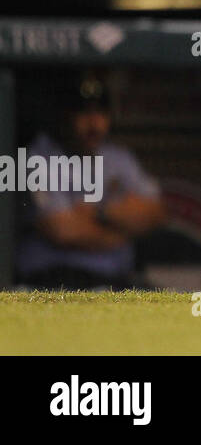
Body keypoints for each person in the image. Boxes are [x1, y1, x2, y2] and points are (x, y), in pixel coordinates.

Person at [17, 74, 166, 290]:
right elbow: (63, 230)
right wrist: (122, 229)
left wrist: (100, 212)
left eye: (100, 112)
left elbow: (156, 213)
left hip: (115, 280)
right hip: (54, 280)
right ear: (64, 116)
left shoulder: (118, 158)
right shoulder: (39, 157)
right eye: (83, 112)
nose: (93, 122)